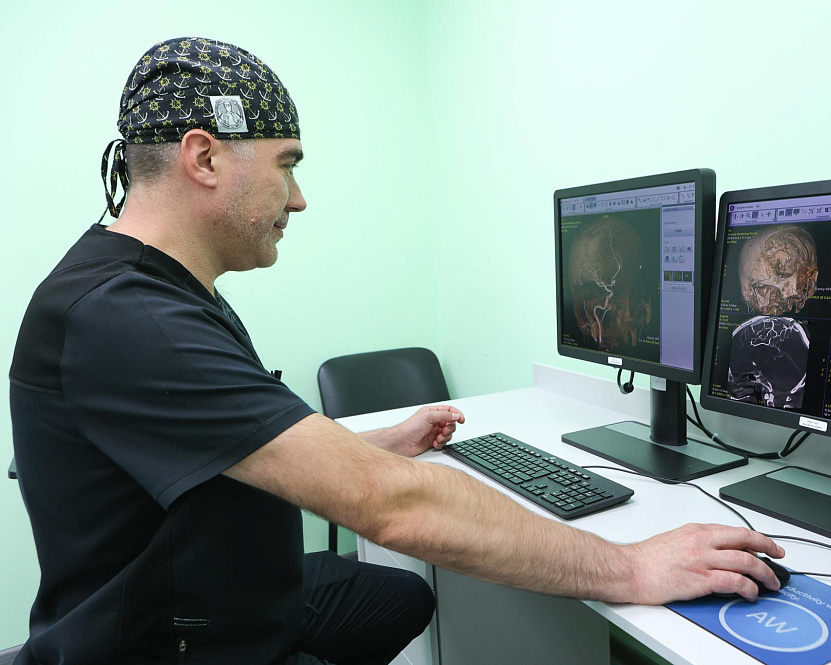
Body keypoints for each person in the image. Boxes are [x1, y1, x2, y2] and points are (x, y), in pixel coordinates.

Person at [9, 37, 784, 665]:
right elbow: (395, 506)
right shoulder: (128, 318)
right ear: (204, 158)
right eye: (287, 165)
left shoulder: (155, 290)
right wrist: (630, 565)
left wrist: (382, 439)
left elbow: (236, 438)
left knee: (405, 597)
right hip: (172, 640)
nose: (299, 197)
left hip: (217, 589)